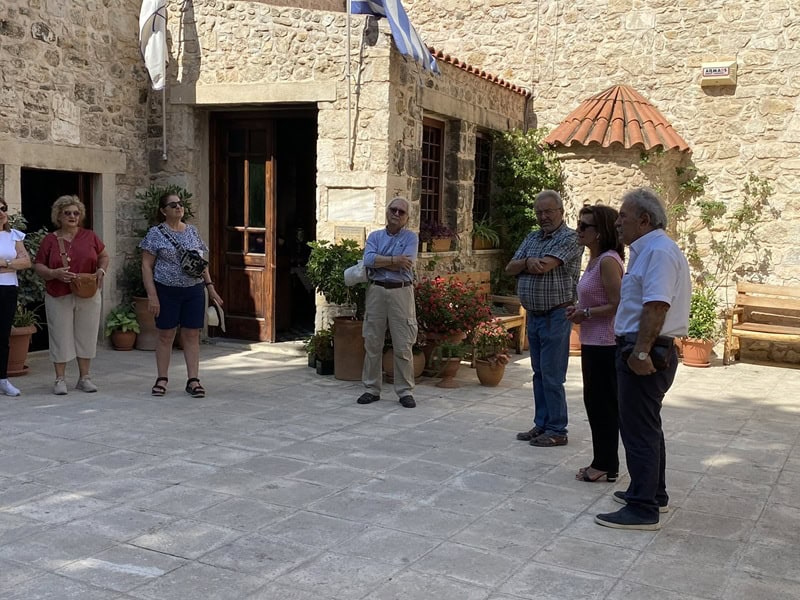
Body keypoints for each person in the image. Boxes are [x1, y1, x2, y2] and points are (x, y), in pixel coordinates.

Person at [594, 188, 690, 531]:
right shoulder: (649, 250)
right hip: (642, 346)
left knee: (638, 430)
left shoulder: (658, 252)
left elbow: (656, 305)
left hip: (645, 349)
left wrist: (641, 351)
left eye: (623, 216)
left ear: (644, 220)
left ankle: (643, 508)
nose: (617, 222)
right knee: (645, 425)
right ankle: (651, 493)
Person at [507, 189, 582, 446]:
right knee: (538, 374)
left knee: (552, 375)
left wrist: (527, 264)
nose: (543, 217)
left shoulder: (570, 238)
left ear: (561, 211)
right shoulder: (532, 237)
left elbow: (545, 266)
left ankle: (557, 429)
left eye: (548, 211)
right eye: (539, 212)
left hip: (557, 314)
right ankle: (542, 424)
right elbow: (510, 267)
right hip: (535, 315)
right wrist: (528, 261)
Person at [140, 192, 222, 398]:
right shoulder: (155, 233)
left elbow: (200, 263)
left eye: (180, 204)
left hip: (193, 290)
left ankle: (193, 380)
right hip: (166, 290)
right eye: (173, 205)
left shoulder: (192, 231)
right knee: (166, 334)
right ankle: (162, 378)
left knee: (192, 334)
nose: (178, 207)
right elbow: (146, 266)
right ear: (163, 210)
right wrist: (152, 295)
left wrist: (210, 287)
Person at [566, 205, 624, 482]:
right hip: (592, 341)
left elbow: (617, 304)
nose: (578, 230)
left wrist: (586, 313)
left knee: (602, 405)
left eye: (583, 226)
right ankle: (604, 462)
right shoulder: (594, 260)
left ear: (599, 232)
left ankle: (605, 464)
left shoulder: (608, 261)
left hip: (606, 343)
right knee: (595, 402)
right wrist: (579, 309)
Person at [34, 195, 109, 395]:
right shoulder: (50, 240)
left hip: (87, 292)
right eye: (67, 213)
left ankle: (84, 378)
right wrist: (54, 273)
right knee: (60, 335)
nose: (72, 216)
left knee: (87, 334)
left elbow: (103, 255)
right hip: (58, 293)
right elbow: (38, 265)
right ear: (58, 216)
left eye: (76, 213)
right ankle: (60, 379)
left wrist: (101, 271)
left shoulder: (90, 236)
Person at [358, 197, 418, 408]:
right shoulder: (375, 236)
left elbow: (407, 263)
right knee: (372, 342)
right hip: (376, 291)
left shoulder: (411, 238)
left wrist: (380, 261)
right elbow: (368, 260)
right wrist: (394, 260)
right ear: (387, 211)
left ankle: (405, 391)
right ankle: (371, 389)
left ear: (407, 217)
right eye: (393, 210)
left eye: (402, 212)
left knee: (403, 344)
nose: (396, 214)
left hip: (401, 292)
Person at [0, 197, 33, 396]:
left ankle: (2, 380)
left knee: (3, 336)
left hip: (8, 289)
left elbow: (26, 262)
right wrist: (13, 264)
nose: (1, 213)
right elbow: (18, 261)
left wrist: (5, 264)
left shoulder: (13, 235)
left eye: (3, 208)